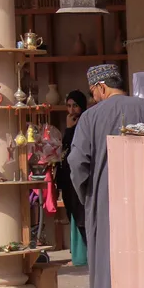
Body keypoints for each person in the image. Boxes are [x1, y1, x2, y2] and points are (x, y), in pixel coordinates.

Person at [69, 64, 144, 288]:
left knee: (107, 270)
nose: (93, 97)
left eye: (92, 92)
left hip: (106, 203)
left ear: (101, 87)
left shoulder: (90, 117)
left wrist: (88, 196)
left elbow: (77, 163)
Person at [57, 90, 88, 267]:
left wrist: (70, 129)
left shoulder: (85, 123)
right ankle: (78, 255)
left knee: (81, 214)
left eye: (75, 105)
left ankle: (85, 256)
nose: (72, 110)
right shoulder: (71, 124)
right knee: (73, 213)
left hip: (80, 177)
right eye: (69, 106)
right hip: (69, 179)